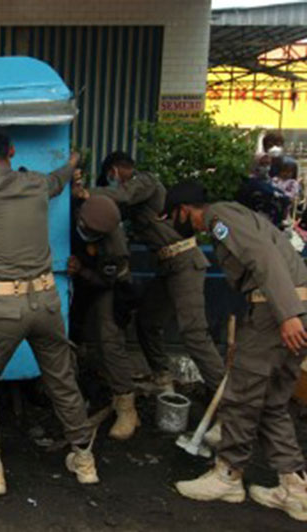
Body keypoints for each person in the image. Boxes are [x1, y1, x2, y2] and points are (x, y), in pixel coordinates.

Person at [0, 123, 98, 496]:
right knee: (62, 380)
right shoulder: (39, 184)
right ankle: (86, 464)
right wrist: (74, 159)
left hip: (5, 308)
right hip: (46, 302)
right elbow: (62, 177)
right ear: (11, 152)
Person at [169, 181, 307, 523]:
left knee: (242, 397)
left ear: (184, 211)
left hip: (275, 313)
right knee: (273, 403)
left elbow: (263, 257)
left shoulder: (219, 217)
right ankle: (295, 488)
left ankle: (228, 475)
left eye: (174, 216)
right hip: (294, 307)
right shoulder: (236, 212)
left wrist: (286, 313)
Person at [77, 152, 225, 394]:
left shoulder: (146, 182)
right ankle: (162, 378)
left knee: (194, 335)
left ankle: (224, 400)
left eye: (110, 175)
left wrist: (88, 193)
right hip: (168, 266)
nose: (112, 181)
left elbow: (123, 195)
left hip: (185, 262)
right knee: (147, 321)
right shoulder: (135, 204)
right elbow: (111, 212)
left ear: (116, 169)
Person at [68, 196, 139, 440]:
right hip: (74, 278)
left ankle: (126, 407)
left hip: (106, 285)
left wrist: (82, 271)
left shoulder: (114, 247)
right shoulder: (75, 207)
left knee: (109, 340)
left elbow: (106, 281)